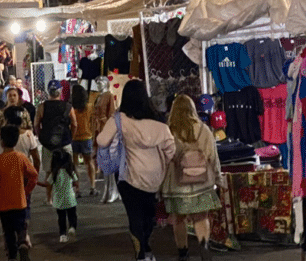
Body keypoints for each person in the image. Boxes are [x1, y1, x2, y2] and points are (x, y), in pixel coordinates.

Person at [97, 80, 176, 261]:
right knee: (149, 214)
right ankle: (147, 247)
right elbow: (171, 149)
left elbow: (102, 140)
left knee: (135, 215)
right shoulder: (158, 121)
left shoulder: (119, 120)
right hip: (155, 177)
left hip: (128, 176)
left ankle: (141, 253)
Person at [162, 95, 224, 261]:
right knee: (201, 217)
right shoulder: (204, 129)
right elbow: (213, 157)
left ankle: (183, 253)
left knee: (179, 219)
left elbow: (165, 158)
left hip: (176, 184)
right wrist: (218, 179)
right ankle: (204, 246)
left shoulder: (169, 130)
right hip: (202, 183)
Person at [0, 126, 38, 261]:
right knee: (21, 226)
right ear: (16, 141)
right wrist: (27, 190)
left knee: (8, 231)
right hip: (20, 201)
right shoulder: (21, 157)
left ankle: (12, 256)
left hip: (4, 204)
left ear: (1, 141)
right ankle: (22, 243)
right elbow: (34, 175)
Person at [35, 80, 78, 205]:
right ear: (60, 91)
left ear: (49, 92)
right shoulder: (68, 107)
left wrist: (41, 137)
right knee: (69, 168)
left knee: (49, 170)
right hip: (64, 141)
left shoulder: (42, 106)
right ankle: (70, 194)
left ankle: (49, 198)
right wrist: (71, 137)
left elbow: (37, 124)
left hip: (48, 144)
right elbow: (74, 124)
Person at [70, 84, 96, 196]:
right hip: (87, 137)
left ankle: (77, 189)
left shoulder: (71, 108)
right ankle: (92, 187)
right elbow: (93, 122)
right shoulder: (89, 107)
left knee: (74, 165)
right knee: (89, 162)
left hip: (74, 138)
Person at [49, 149, 78, 243]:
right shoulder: (70, 172)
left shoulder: (54, 174)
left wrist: (36, 182)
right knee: (72, 215)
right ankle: (72, 227)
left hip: (59, 200)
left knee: (61, 218)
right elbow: (76, 183)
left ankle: (62, 235)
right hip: (70, 198)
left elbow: (47, 184)